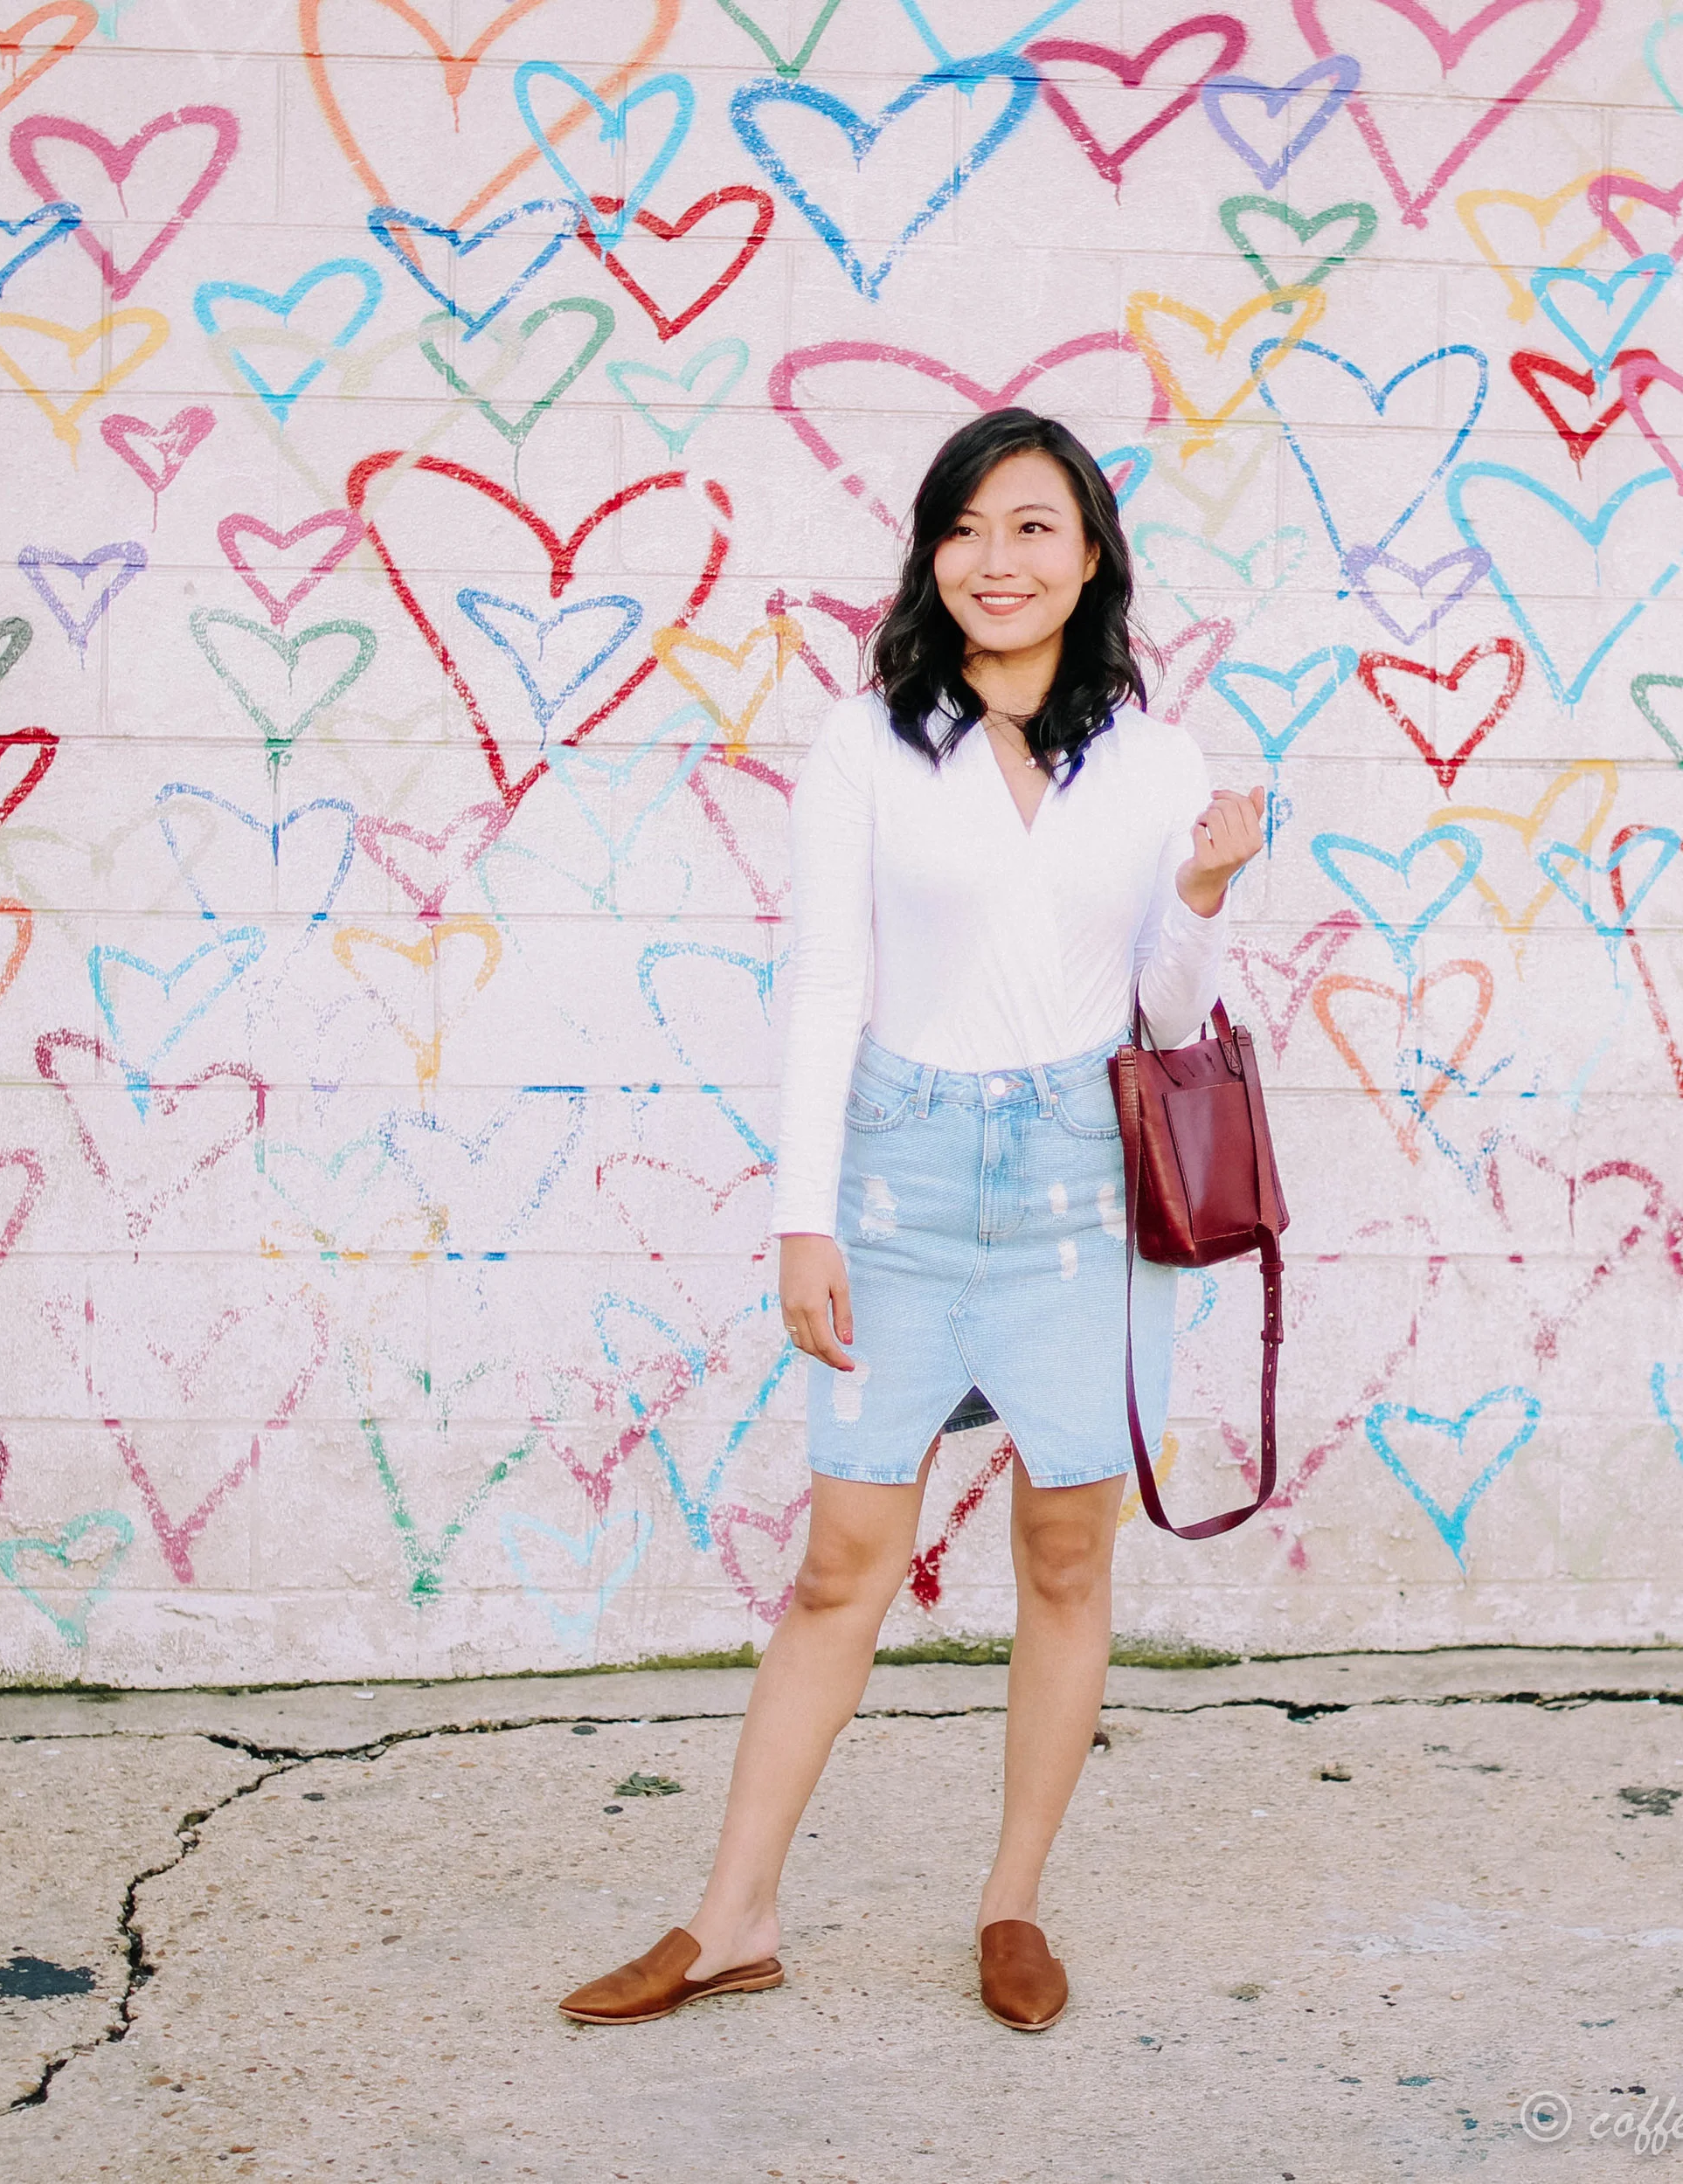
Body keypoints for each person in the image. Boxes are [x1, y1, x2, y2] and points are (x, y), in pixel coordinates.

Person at [558, 409, 1265, 2035]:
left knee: (1067, 1553)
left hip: (1082, 1185)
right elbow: (826, 983)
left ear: (1090, 557)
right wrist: (806, 1220)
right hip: (900, 1178)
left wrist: (1208, 894)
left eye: (1032, 530)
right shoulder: (867, 737)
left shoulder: (1153, 762)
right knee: (842, 1563)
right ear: (930, 556)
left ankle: (1011, 1903)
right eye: (964, 529)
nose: (995, 562)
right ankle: (731, 1915)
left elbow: (1160, 1007)